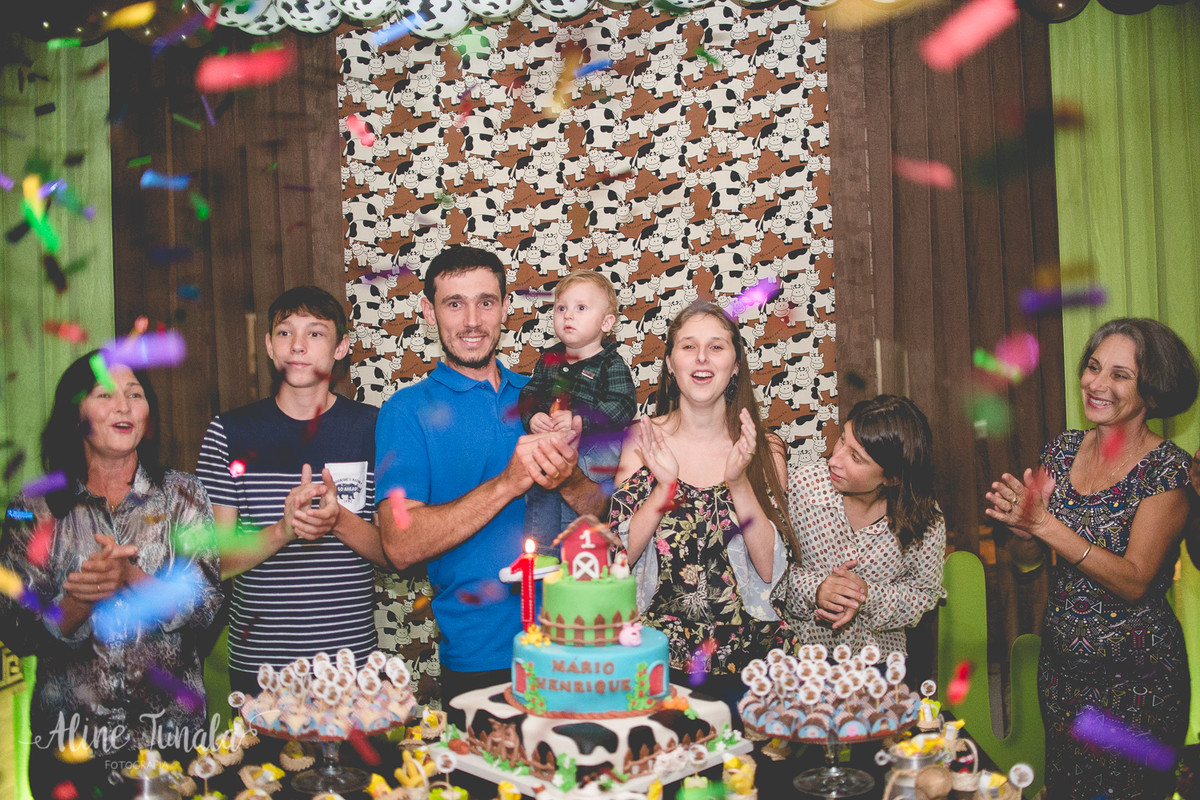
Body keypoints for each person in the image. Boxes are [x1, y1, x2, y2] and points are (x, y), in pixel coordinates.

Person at [375, 245, 603, 703]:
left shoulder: (546, 397)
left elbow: (605, 515)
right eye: (454, 304)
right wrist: (507, 483)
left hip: (578, 641)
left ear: (505, 308)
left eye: (485, 302)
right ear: (429, 312)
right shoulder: (405, 412)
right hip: (481, 658)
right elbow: (400, 545)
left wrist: (569, 480)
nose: (472, 321)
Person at [985, 318, 1198, 800]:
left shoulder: (1168, 470)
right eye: (1093, 367)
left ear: (1152, 390)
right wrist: (1023, 532)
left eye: (1120, 375)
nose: (1097, 383)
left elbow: (1135, 581)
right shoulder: (1061, 451)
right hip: (1062, 673)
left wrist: (1044, 525)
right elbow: (1028, 563)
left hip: (1139, 681)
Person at [0, 353, 221, 798]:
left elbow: (206, 605)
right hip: (70, 744)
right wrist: (78, 601)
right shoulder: (32, 507)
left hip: (171, 741)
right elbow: (16, 629)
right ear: (75, 414)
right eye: (105, 395)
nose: (123, 406)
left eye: (135, 395)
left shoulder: (182, 495)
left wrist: (130, 577)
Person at [196, 286, 388, 694]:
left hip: (351, 665)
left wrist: (337, 521)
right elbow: (215, 561)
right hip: (260, 668)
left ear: (340, 348)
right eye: (285, 332)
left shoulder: (373, 428)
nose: (297, 345)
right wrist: (284, 530)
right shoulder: (229, 432)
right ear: (269, 345)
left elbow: (394, 553)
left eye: (315, 333)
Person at [608, 301, 796, 700]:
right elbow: (617, 561)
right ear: (670, 364)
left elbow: (770, 572)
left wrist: (738, 481)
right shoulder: (641, 441)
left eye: (716, 346)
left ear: (736, 365)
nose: (702, 358)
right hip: (656, 664)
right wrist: (663, 490)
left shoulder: (765, 449)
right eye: (689, 346)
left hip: (751, 665)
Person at [770, 395, 945, 659]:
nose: (834, 460)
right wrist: (816, 589)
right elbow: (768, 569)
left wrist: (865, 595)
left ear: (892, 478)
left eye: (856, 457)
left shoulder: (925, 519)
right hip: (800, 657)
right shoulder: (803, 487)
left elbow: (924, 595)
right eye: (842, 439)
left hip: (877, 664)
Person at [519, 270, 637, 548]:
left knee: (573, 489)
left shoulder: (610, 363)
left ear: (606, 323)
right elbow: (530, 394)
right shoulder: (549, 359)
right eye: (561, 308)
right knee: (539, 479)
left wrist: (580, 419)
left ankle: (575, 550)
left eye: (581, 308)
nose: (568, 315)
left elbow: (623, 405)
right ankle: (541, 552)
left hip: (595, 451)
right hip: (555, 445)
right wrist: (534, 416)